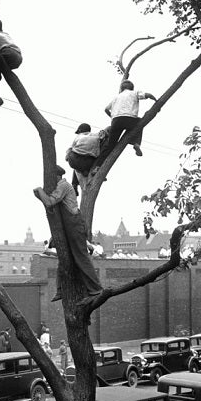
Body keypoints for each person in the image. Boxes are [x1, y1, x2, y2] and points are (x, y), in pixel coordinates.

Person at [33, 166, 102, 303]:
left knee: (81, 257)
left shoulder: (63, 186)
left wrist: (39, 190)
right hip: (67, 227)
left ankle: (95, 289)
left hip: (74, 225)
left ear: (55, 177)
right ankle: (60, 290)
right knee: (64, 260)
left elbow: (49, 202)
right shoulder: (59, 187)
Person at [99, 80, 157, 163]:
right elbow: (147, 95)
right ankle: (136, 143)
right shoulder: (134, 93)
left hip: (116, 121)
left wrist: (112, 117)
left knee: (110, 145)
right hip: (130, 119)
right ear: (132, 88)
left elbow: (106, 109)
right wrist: (155, 100)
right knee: (140, 122)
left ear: (122, 88)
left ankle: (97, 166)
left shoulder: (116, 97)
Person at [65, 123, 110, 194]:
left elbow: (70, 148)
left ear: (80, 130)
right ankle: (84, 171)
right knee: (90, 157)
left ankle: (74, 184)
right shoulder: (97, 135)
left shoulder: (79, 137)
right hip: (88, 162)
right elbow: (103, 134)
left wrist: (67, 156)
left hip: (74, 161)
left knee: (72, 153)